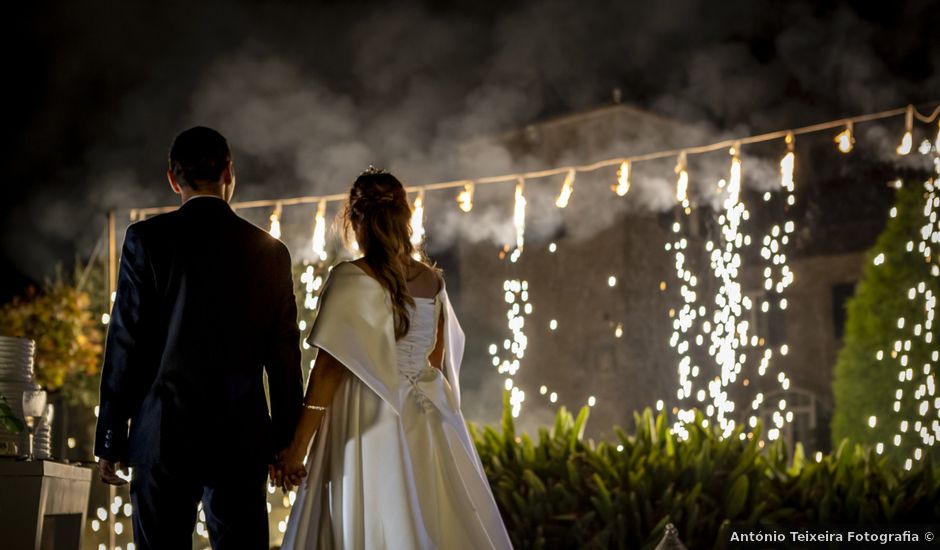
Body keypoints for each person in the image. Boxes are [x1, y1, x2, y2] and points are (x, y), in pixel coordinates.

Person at [275, 169, 513, 549]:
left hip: (366, 419)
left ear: (355, 222)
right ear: (405, 217)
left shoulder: (349, 278)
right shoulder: (432, 281)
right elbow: (434, 360)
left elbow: (327, 371)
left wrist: (297, 449)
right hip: (428, 417)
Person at [94, 126, 304, 549]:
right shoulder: (269, 251)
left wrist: (113, 436)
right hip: (239, 437)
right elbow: (284, 357)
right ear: (229, 172)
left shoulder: (146, 240)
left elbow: (126, 342)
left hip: (163, 432)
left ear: (173, 179)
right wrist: (286, 443)